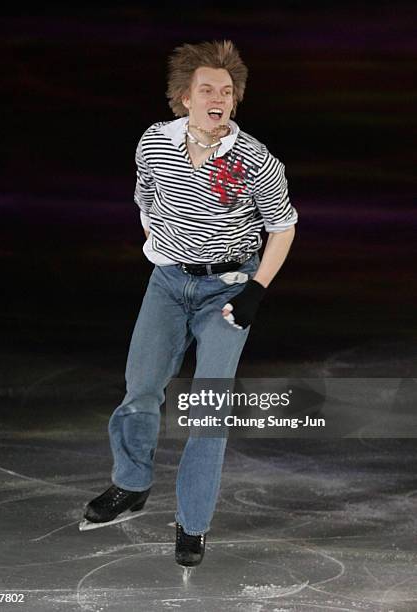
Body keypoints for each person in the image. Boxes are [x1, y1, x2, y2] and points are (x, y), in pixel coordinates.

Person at [83, 39, 298, 567]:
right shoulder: (154, 144)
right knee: (140, 390)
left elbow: (284, 226)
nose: (217, 97)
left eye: (226, 90)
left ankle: (193, 523)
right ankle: (131, 485)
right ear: (184, 97)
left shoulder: (255, 161)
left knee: (207, 409)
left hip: (227, 292)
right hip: (167, 284)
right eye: (207, 89)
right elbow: (146, 199)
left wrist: (256, 289)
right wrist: (165, 250)